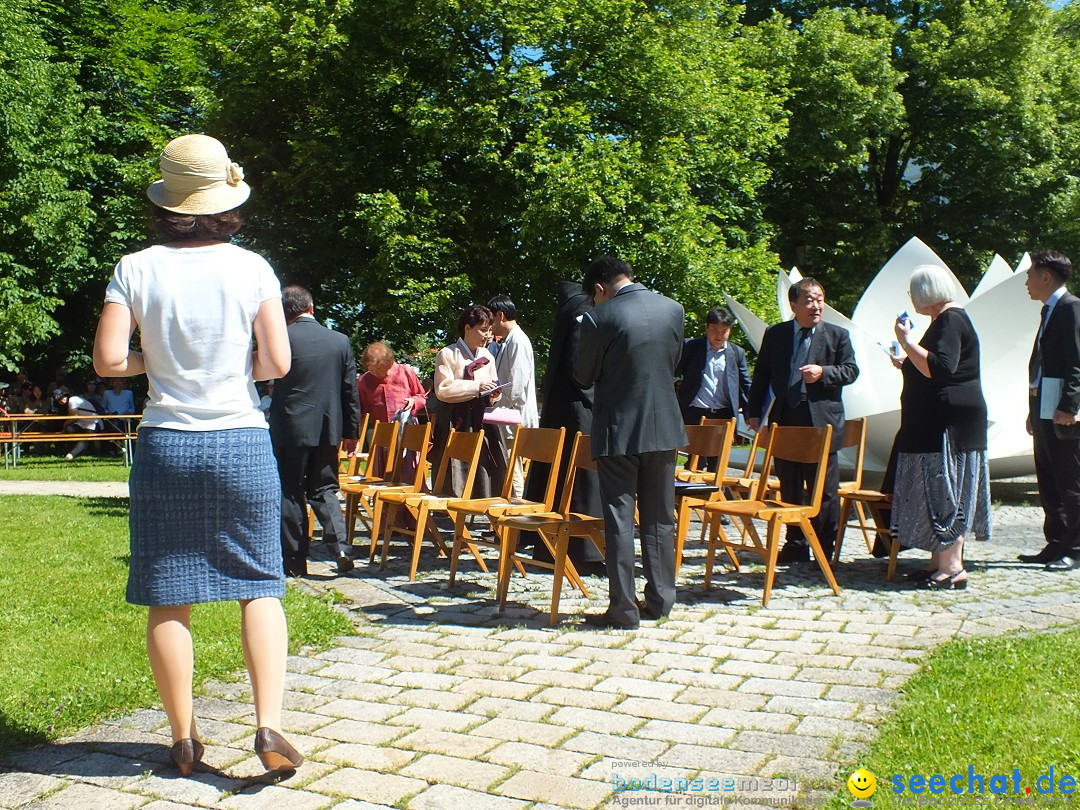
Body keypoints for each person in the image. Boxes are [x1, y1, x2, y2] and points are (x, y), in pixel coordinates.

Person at [92, 133, 302, 777]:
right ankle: (268, 726)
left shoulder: (135, 267)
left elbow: (107, 363)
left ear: (167, 200)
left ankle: (183, 739)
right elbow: (276, 362)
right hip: (239, 439)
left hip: (167, 445)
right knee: (259, 586)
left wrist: (152, 359)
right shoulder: (252, 268)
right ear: (226, 198)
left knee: (168, 593)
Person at [574, 257, 687, 629]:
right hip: (664, 428)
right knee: (660, 519)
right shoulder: (673, 309)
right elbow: (672, 363)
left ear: (600, 289)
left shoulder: (598, 318)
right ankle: (661, 600)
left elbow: (583, 375)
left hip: (619, 430)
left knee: (620, 521)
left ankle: (623, 609)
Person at [888, 265, 991, 589]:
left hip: (948, 426)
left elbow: (941, 367)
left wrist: (906, 342)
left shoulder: (950, 318)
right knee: (936, 490)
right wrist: (908, 361)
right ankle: (939, 562)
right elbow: (936, 363)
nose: (911, 298)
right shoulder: (945, 320)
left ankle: (952, 568)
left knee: (945, 490)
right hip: (939, 421)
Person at [746, 277, 859, 564]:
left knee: (824, 490)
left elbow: (851, 370)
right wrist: (754, 411)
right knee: (790, 486)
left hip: (821, 422)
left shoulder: (837, 335)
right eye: (809, 300)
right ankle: (795, 544)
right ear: (794, 304)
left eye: (820, 299)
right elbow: (762, 375)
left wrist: (824, 372)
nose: (816, 305)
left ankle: (824, 546)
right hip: (787, 418)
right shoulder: (777, 334)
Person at [270, 285, 362, 577]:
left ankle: (295, 562)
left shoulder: (279, 338)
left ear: (285, 313)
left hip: (290, 428)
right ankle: (341, 548)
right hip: (327, 427)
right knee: (325, 488)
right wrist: (352, 431)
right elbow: (350, 391)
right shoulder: (340, 341)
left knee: (291, 491)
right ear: (312, 308)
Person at [523, 281, 607, 574]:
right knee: (583, 478)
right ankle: (587, 552)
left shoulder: (565, 310)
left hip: (559, 408)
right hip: (578, 409)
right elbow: (579, 362)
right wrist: (595, 398)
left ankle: (548, 547)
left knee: (556, 479)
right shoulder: (583, 307)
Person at [1021, 250, 1080, 571]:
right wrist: (1034, 408)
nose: (1027, 282)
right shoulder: (1049, 311)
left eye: (1030, 275)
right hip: (1043, 407)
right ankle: (1056, 542)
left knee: (1070, 481)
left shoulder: (1071, 308)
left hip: (1062, 412)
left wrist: (1069, 406)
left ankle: (1076, 548)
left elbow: (1076, 363)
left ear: (1046, 277)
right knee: (1048, 478)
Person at [431, 305, 504, 498]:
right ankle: (450, 507)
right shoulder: (448, 354)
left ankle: (481, 503)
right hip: (454, 418)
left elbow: (493, 383)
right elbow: (442, 389)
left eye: (489, 330)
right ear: (467, 328)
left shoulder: (487, 355)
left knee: (484, 463)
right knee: (452, 464)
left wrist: (494, 394)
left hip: (480, 418)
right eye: (482, 329)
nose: (487, 335)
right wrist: (476, 387)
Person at [676, 306, 751, 471]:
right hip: (695, 412)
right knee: (694, 463)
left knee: (717, 465)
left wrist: (752, 413)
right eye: (714, 330)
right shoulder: (691, 347)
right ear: (706, 328)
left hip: (723, 415)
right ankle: (692, 495)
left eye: (724, 331)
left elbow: (746, 385)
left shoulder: (736, 353)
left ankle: (715, 495)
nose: (718, 336)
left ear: (730, 331)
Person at [487, 294, 539, 497]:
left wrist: (494, 398)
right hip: (506, 417)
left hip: (512, 418)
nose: (489, 326)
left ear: (500, 315)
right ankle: (507, 524)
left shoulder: (518, 341)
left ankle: (515, 522)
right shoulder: (508, 341)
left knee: (512, 470)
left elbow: (516, 387)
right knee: (508, 469)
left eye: (491, 320)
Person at [53, 388, 103, 460]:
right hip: (81, 422)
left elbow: (74, 417)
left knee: (85, 437)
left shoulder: (72, 400)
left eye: (62, 397)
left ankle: (71, 454)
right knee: (70, 429)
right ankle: (70, 450)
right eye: (59, 399)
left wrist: (65, 425)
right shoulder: (66, 405)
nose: (61, 400)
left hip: (93, 421)